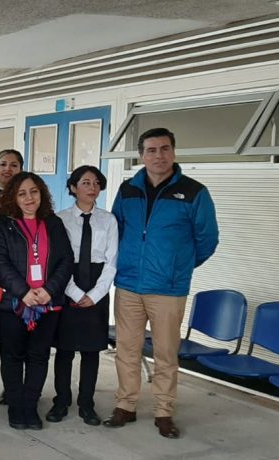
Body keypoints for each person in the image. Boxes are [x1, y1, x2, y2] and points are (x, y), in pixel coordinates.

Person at [104, 128, 219, 438]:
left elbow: (207, 239)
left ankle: (164, 411)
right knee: (127, 349)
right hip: (128, 284)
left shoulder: (194, 192)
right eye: (151, 150)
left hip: (167, 289)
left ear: (174, 152)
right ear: (142, 155)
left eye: (164, 149)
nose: (158, 155)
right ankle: (126, 405)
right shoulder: (128, 190)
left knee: (166, 352)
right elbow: (117, 230)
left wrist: (177, 268)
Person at [0, 172, 73, 430]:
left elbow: (66, 261)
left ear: (42, 194)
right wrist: (23, 292)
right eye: (22, 193)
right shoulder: (3, 225)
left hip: (48, 303)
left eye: (34, 192)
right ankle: (16, 408)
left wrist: (49, 290)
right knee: (13, 356)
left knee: (38, 357)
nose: (29, 198)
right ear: (13, 197)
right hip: (13, 304)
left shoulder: (53, 223)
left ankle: (30, 406)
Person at [47, 166, 117, 426]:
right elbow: (57, 261)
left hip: (96, 288)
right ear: (74, 187)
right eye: (85, 182)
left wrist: (96, 294)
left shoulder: (108, 220)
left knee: (91, 352)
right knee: (65, 351)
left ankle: (87, 404)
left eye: (96, 182)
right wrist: (74, 292)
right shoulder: (60, 219)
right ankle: (61, 401)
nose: (92, 187)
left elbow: (112, 262)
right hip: (68, 284)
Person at [0, 149, 24, 406]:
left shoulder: (30, 199)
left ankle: (22, 387)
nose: (8, 169)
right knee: (0, 336)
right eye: (3, 164)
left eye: (14, 165)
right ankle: (9, 386)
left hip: (24, 279)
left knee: (23, 335)